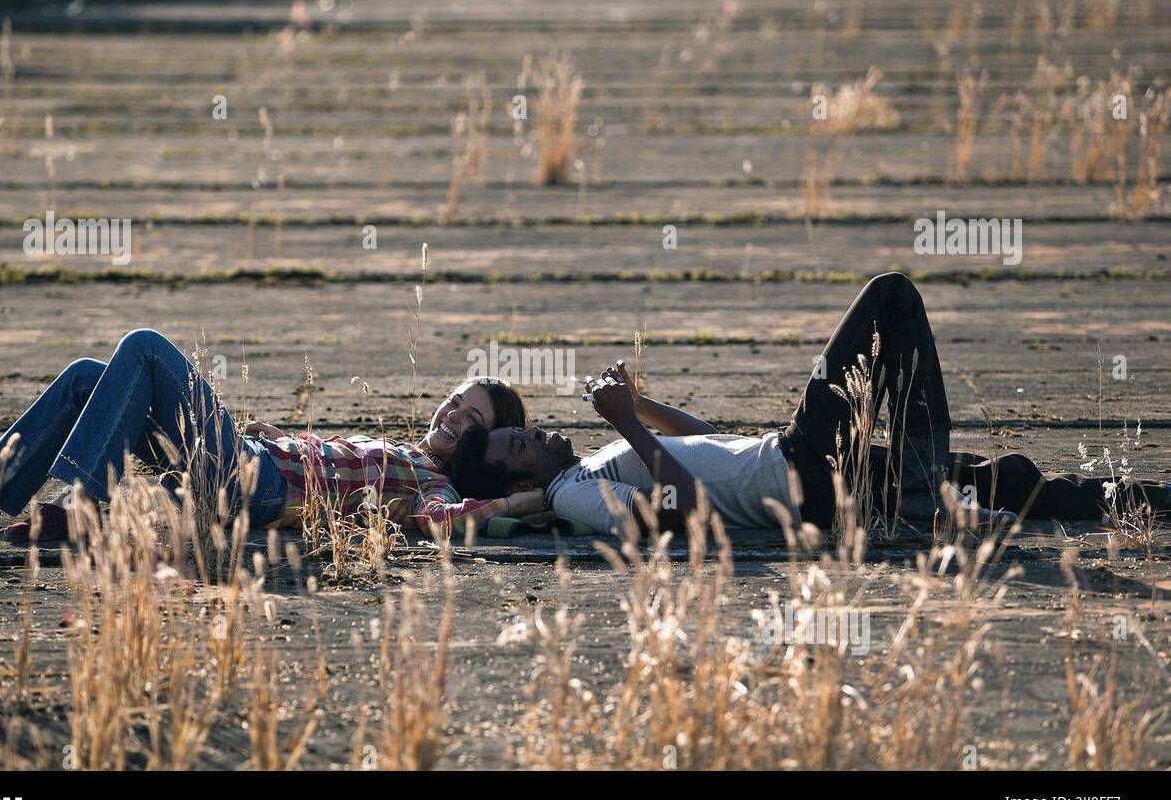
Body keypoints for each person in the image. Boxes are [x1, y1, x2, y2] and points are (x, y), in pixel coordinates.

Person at [450, 273, 1171, 536]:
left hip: (807, 466)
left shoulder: (599, 462)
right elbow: (686, 512)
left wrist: (647, 407)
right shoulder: (573, 497)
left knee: (1011, 477)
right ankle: (923, 498)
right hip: (803, 472)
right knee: (889, 295)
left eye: (525, 430)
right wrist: (629, 425)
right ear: (520, 483)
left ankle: (1151, 498)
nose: (538, 433)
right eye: (520, 445)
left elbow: (719, 446)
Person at [0, 328, 544, 541]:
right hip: (251, 459)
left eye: (473, 421)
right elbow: (332, 462)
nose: (454, 415)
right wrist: (282, 436)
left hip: (251, 485)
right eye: (456, 401)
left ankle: (81, 503)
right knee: (90, 376)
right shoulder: (405, 450)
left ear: (488, 448)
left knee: (144, 348)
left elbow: (452, 522)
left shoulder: (432, 485)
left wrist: (520, 500)